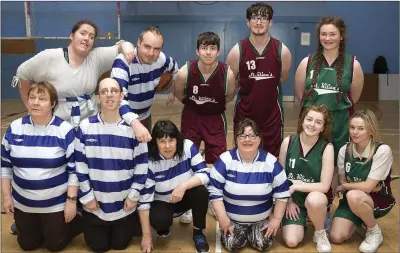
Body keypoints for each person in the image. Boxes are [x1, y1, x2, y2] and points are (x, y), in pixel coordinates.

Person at [12, 19, 150, 141]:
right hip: (57, 125)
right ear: (72, 36)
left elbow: (121, 47)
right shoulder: (50, 56)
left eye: (91, 36)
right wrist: (28, 106)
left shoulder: (96, 57)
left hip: (89, 125)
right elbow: (22, 73)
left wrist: (126, 46)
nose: (87, 38)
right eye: (83, 33)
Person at [1, 81, 80, 251]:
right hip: (23, 203)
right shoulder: (14, 128)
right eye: (32, 97)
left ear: (52, 104)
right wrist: (7, 197)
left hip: (56, 204)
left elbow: (74, 170)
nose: (36, 102)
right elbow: (5, 166)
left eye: (42, 98)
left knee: (54, 246)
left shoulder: (64, 130)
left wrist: (71, 202)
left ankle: (76, 219)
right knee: (27, 245)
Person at [75, 78, 151, 252]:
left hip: (124, 207)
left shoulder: (135, 130)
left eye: (114, 91)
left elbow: (142, 166)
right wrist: (87, 198)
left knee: (120, 245)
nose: (109, 95)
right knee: (97, 247)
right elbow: (80, 165)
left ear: (121, 96)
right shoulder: (85, 127)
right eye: (104, 91)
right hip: (95, 206)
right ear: (98, 98)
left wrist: (133, 197)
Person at [294, 16, 364, 190]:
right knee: (312, 159)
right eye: (323, 34)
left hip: (340, 123)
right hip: (312, 123)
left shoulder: (353, 64)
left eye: (332, 34)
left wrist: (335, 109)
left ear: (341, 36)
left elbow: (354, 97)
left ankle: (329, 201)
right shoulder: (307, 62)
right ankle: (310, 199)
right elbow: (299, 95)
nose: (327, 38)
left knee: (335, 165)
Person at [208, 118, 290, 252]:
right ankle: (239, 229)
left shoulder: (271, 162)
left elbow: (282, 194)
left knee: (263, 244)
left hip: (260, 220)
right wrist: (222, 218)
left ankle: (251, 232)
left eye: (252, 136)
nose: (247, 140)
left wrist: (276, 219)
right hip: (232, 219)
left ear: (259, 139)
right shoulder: (224, 160)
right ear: (236, 138)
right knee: (232, 245)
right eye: (243, 136)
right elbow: (215, 193)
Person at [226, 3, 292, 157]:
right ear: (248, 22)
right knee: (243, 154)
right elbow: (231, 81)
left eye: (264, 18)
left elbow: (282, 78)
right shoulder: (237, 51)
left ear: (270, 22)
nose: (259, 22)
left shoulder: (282, 50)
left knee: (272, 156)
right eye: (254, 18)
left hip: (272, 115)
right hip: (245, 113)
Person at [329, 109, 396, 253]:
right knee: (336, 237)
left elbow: (367, 187)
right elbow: (342, 178)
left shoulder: (382, 150)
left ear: (371, 131)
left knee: (354, 195)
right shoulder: (344, 150)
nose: (355, 132)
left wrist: (346, 186)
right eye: (352, 128)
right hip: (353, 199)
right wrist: (348, 185)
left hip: (377, 199)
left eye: (360, 129)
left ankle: (374, 231)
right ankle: (361, 218)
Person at [141, 120, 211, 253]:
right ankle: (164, 225)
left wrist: (183, 186)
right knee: (159, 222)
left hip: (185, 196)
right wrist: (147, 236)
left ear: (177, 140)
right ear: (155, 143)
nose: (167, 146)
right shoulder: (149, 161)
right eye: (162, 141)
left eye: (171, 140)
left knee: (201, 191)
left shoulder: (188, 147)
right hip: (163, 201)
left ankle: (198, 233)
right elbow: (144, 201)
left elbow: (206, 174)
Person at [279, 104, 334, 253]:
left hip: (315, 198)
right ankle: (298, 220)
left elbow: (324, 186)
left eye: (318, 122)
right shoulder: (288, 142)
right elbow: (280, 179)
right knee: (291, 241)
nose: (312, 124)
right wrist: (288, 201)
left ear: (323, 127)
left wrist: (296, 186)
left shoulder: (327, 148)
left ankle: (320, 231)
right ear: (302, 121)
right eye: (309, 119)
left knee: (314, 200)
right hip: (293, 200)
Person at [174, 31, 236, 164]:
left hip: (215, 120)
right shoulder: (185, 72)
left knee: (217, 162)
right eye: (204, 48)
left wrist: (211, 104)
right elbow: (179, 93)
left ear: (218, 52)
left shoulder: (227, 74)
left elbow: (230, 96)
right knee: (187, 159)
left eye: (212, 48)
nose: (208, 52)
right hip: (191, 118)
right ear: (197, 51)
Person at [111, 26, 179, 132]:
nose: (151, 53)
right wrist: (134, 122)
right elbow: (118, 98)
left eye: (156, 49)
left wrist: (173, 92)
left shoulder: (162, 59)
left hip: (146, 116)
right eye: (147, 46)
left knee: (145, 148)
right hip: (123, 119)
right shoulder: (123, 62)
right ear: (139, 42)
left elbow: (175, 69)